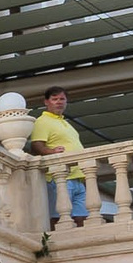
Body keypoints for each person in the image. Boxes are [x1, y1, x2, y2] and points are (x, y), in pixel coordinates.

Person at [26, 86, 92, 225]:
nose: (59, 102)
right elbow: (36, 145)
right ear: (46, 102)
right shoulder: (42, 121)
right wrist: (52, 151)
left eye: (62, 99)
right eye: (54, 99)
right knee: (59, 217)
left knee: (83, 218)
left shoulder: (64, 122)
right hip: (59, 178)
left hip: (77, 178)